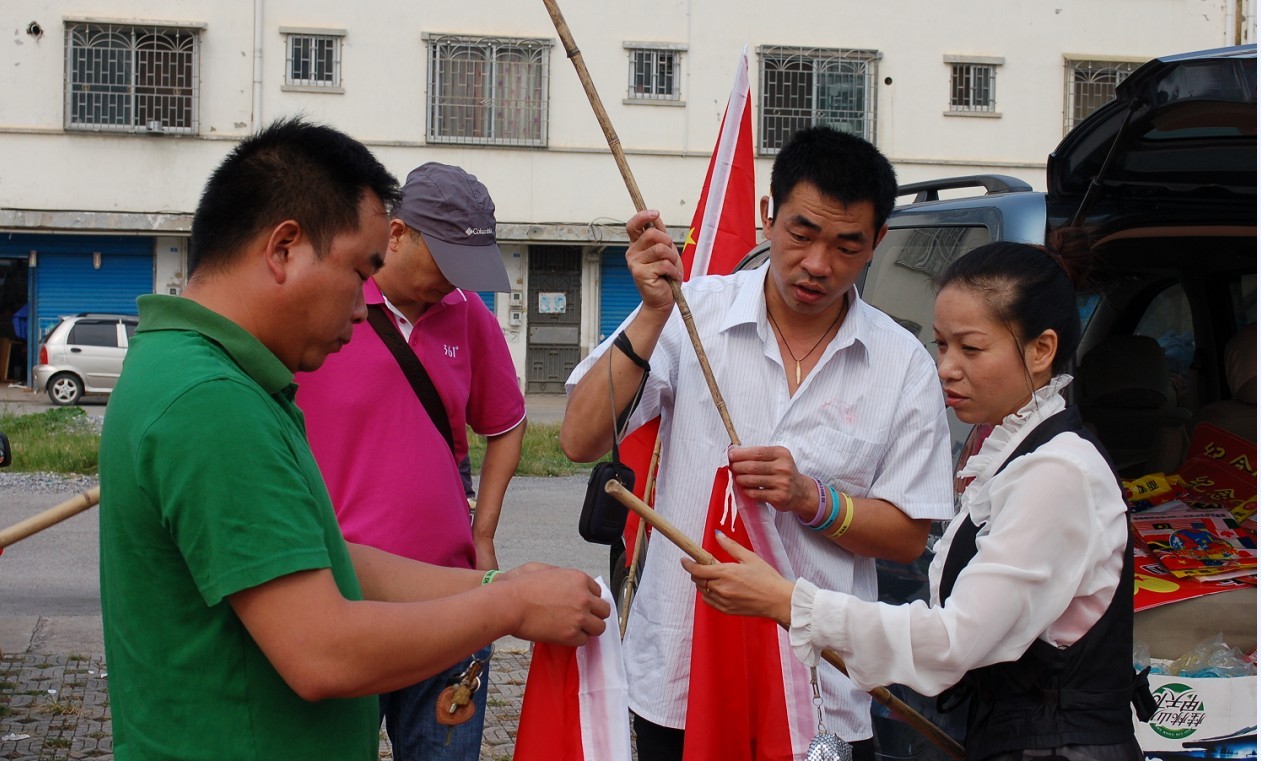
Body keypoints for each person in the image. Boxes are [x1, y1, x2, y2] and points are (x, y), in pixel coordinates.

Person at [98, 118, 609, 761]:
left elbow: (330, 559)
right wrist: (507, 607)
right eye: (358, 270)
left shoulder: (216, 375)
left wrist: (494, 585)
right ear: (284, 249)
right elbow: (322, 651)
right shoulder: (212, 402)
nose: (362, 306)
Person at [560, 126, 954, 759]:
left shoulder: (901, 364)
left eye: (847, 244)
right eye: (802, 234)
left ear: (878, 242)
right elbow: (579, 438)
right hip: (679, 674)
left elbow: (908, 534)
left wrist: (813, 500)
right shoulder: (694, 314)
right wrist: (653, 311)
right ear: (768, 217)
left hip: (822, 683)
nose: (819, 264)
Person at [685, 238, 1156, 760]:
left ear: (1041, 350)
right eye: (941, 345)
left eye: (970, 349)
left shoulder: (1059, 472)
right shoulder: (1017, 453)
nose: (946, 368)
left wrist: (787, 600)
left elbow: (955, 639)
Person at [295, 161, 525, 760]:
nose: (453, 283)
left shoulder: (470, 316)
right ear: (397, 235)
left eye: (466, 271)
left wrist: (485, 531)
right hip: (344, 595)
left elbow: (506, 425)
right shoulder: (326, 308)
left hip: (450, 597)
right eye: (445, 264)